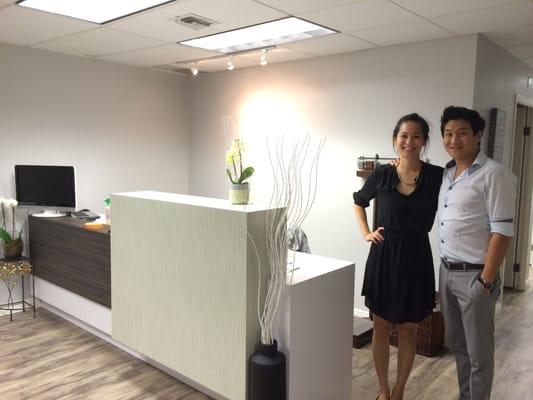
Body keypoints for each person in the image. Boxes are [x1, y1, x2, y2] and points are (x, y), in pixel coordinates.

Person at [353, 113, 443, 400]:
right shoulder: (382, 173)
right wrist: (367, 232)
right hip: (385, 254)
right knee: (380, 327)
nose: (409, 141)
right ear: (395, 140)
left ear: (424, 142)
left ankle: (400, 390)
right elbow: (359, 200)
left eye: (416, 136)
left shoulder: (437, 177)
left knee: (408, 329)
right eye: (404, 136)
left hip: (417, 255)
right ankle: (382, 390)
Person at [438, 106, 516, 400]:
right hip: (446, 272)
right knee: (457, 345)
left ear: (478, 135)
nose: (453, 139)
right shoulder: (447, 173)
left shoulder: (494, 174)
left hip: (475, 275)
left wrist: (486, 279)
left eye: (461, 133)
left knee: (479, 353)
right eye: (448, 133)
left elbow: (502, 231)